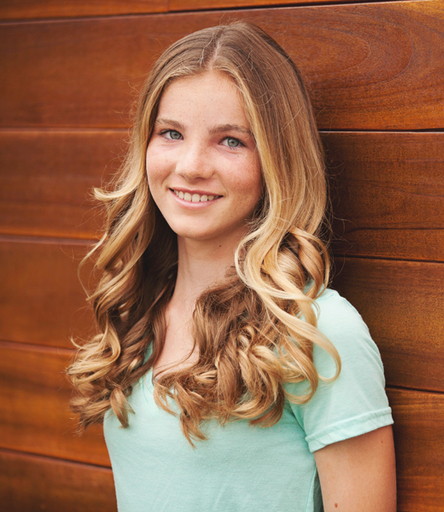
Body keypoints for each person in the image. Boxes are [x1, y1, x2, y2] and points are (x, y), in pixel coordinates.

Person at [67, 21, 396, 511]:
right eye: (172, 133)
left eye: (231, 141)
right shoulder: (137, 315)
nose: (192, 165)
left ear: (277, 161)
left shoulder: (318, 332)